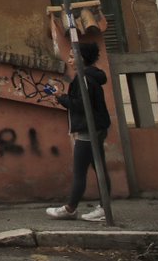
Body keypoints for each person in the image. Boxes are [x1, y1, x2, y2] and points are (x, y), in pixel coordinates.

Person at [45, 41, 111, 222]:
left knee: (80, 170)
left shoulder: (84, 79)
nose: (70, 60)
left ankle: (71, 208)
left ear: (83, 59)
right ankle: (104, 208)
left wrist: (60, 97)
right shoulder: (91, 77)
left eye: (73, 56)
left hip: (88, 129)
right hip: (96, 127)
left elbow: (82, 106)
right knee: (99, 168)